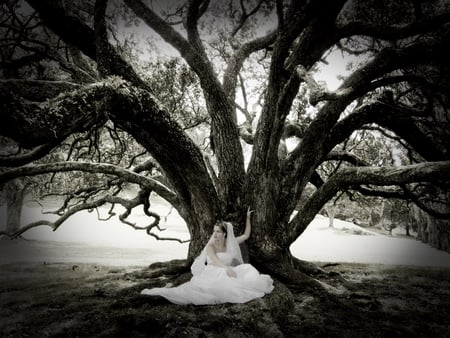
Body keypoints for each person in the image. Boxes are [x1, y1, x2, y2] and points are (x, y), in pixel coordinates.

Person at [140, 208, 274, 305]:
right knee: (224, 286)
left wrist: (248, 218)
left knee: (248, 269)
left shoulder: (230, 243)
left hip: (226, 270)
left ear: (225, 234)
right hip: (213, 272)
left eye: (218, 232)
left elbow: (246, 236)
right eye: (214, 231)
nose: (214, 234)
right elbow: (215, 261)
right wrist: (226, 268)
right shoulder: (211, 247)